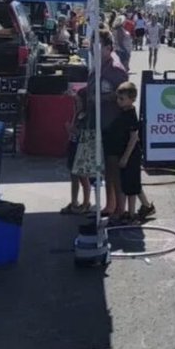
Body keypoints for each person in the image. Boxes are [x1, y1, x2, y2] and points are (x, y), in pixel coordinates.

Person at [74, 31, 128, 219]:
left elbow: (124, 94)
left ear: (108, 47)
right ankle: (109, 206)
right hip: (96, 122)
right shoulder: (97, 66)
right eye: (91, 45)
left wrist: (102, 98)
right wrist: (80, 93)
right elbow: (92, 88)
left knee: (113, 169)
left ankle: (118, 210)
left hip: (111, 123)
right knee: (102, 167)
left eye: (97, 46)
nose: (92, 49)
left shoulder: (116, 68)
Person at [106, 81, 156, 224]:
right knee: (131, 183)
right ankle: (145, 206)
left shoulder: (131, 115)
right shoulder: (123, 112)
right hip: (123, 153)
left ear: (132, 99)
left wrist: (125, 158)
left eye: (122, 99)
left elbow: (134, 137)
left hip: (131, 155)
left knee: (131, 186)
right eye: (118, 98)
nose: (118, 101)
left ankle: (132, 214)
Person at [62, 87, 95, 215]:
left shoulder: (86, 116)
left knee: (83, 176)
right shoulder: (77, 113)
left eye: (80, 102)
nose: (77, 104)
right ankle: (74, 201)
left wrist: (71, 129)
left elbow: (83, 133)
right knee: (73, 175)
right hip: (73, 145)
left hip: (81, 147)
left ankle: (86, 202)